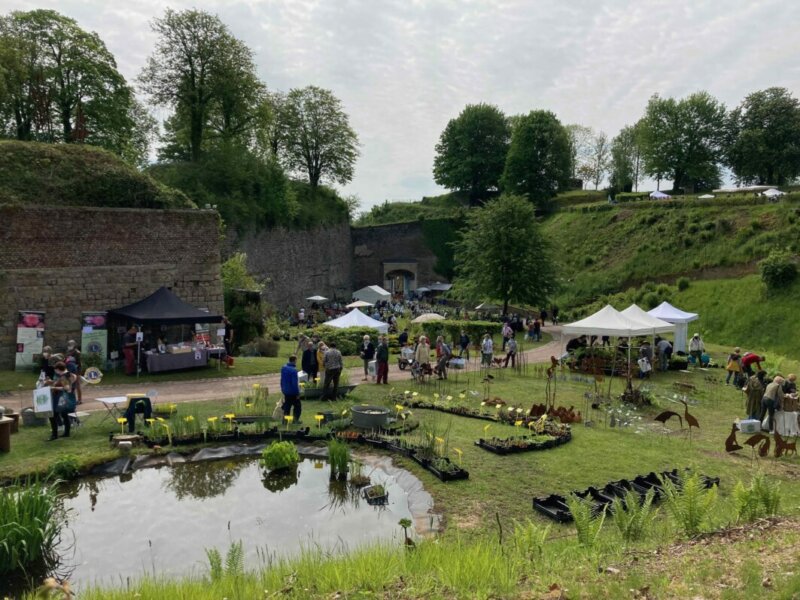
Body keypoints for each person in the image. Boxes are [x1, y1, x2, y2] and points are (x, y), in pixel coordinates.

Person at [46, 361, 77, 440]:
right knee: (64, 415)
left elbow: (67, 388)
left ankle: (54, 435)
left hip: (61, 398)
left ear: (58, 369)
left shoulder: (63, 376)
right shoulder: (70, 374)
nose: (55, 371)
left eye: (55, 369)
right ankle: (66, 433)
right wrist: (54, 382)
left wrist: (53, 388)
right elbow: (71, 381)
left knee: (53, 415)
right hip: (67, 398)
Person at [281, 355, 302, 423]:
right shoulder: (294, 370)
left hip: (285, 390)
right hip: (292, 391)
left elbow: (281, 380)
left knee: (287, 405)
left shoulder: (283, 368)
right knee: (297, 406)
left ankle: (285, 420)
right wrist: (297, 393)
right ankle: (295, 420)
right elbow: (294, 383)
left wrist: (282, 388)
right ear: (294, 361)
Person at [64, 339, 82, 404]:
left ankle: (80, 400)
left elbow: (79, 363)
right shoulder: (68, 351)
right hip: (69, 370)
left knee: (77, 385)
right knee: (70, 385)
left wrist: (78, 373)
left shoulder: (77, 352)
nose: (70, 346)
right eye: (69, 345)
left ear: (74, 345)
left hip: (76, 370)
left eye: (71, 345)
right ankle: (70, 399)